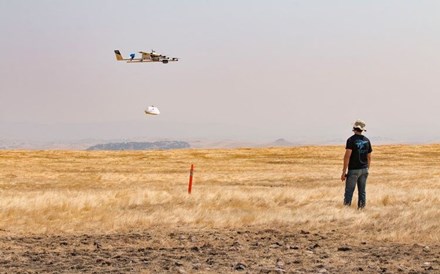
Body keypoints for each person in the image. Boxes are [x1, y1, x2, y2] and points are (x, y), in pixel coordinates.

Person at [341, 120, 372, 209]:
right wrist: (367, 169)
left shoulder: (351, 140)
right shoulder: (367, 140)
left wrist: (344, 172)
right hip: (364, 169)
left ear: (354, 128)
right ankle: (361, 209)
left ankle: (346, 210)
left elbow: (347, 156)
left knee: (349, 191)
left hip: (353, 170)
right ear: (362, 130)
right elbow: (369, 157)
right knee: (362, 191)